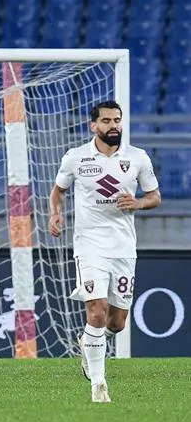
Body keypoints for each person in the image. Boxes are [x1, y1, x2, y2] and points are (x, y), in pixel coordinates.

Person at [49, 100, 160, 403]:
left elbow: (154, 196)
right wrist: (55, 214)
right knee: (96, 312)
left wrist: (137, 204)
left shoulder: (137, 158)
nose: (113, 126)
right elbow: (58, 191)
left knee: (117, 322)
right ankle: (99, 385)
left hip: (124, 247)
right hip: (89, 245)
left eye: (117, 120)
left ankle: (89, 342)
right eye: (107, 121)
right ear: (93, 126)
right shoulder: (76, 158)